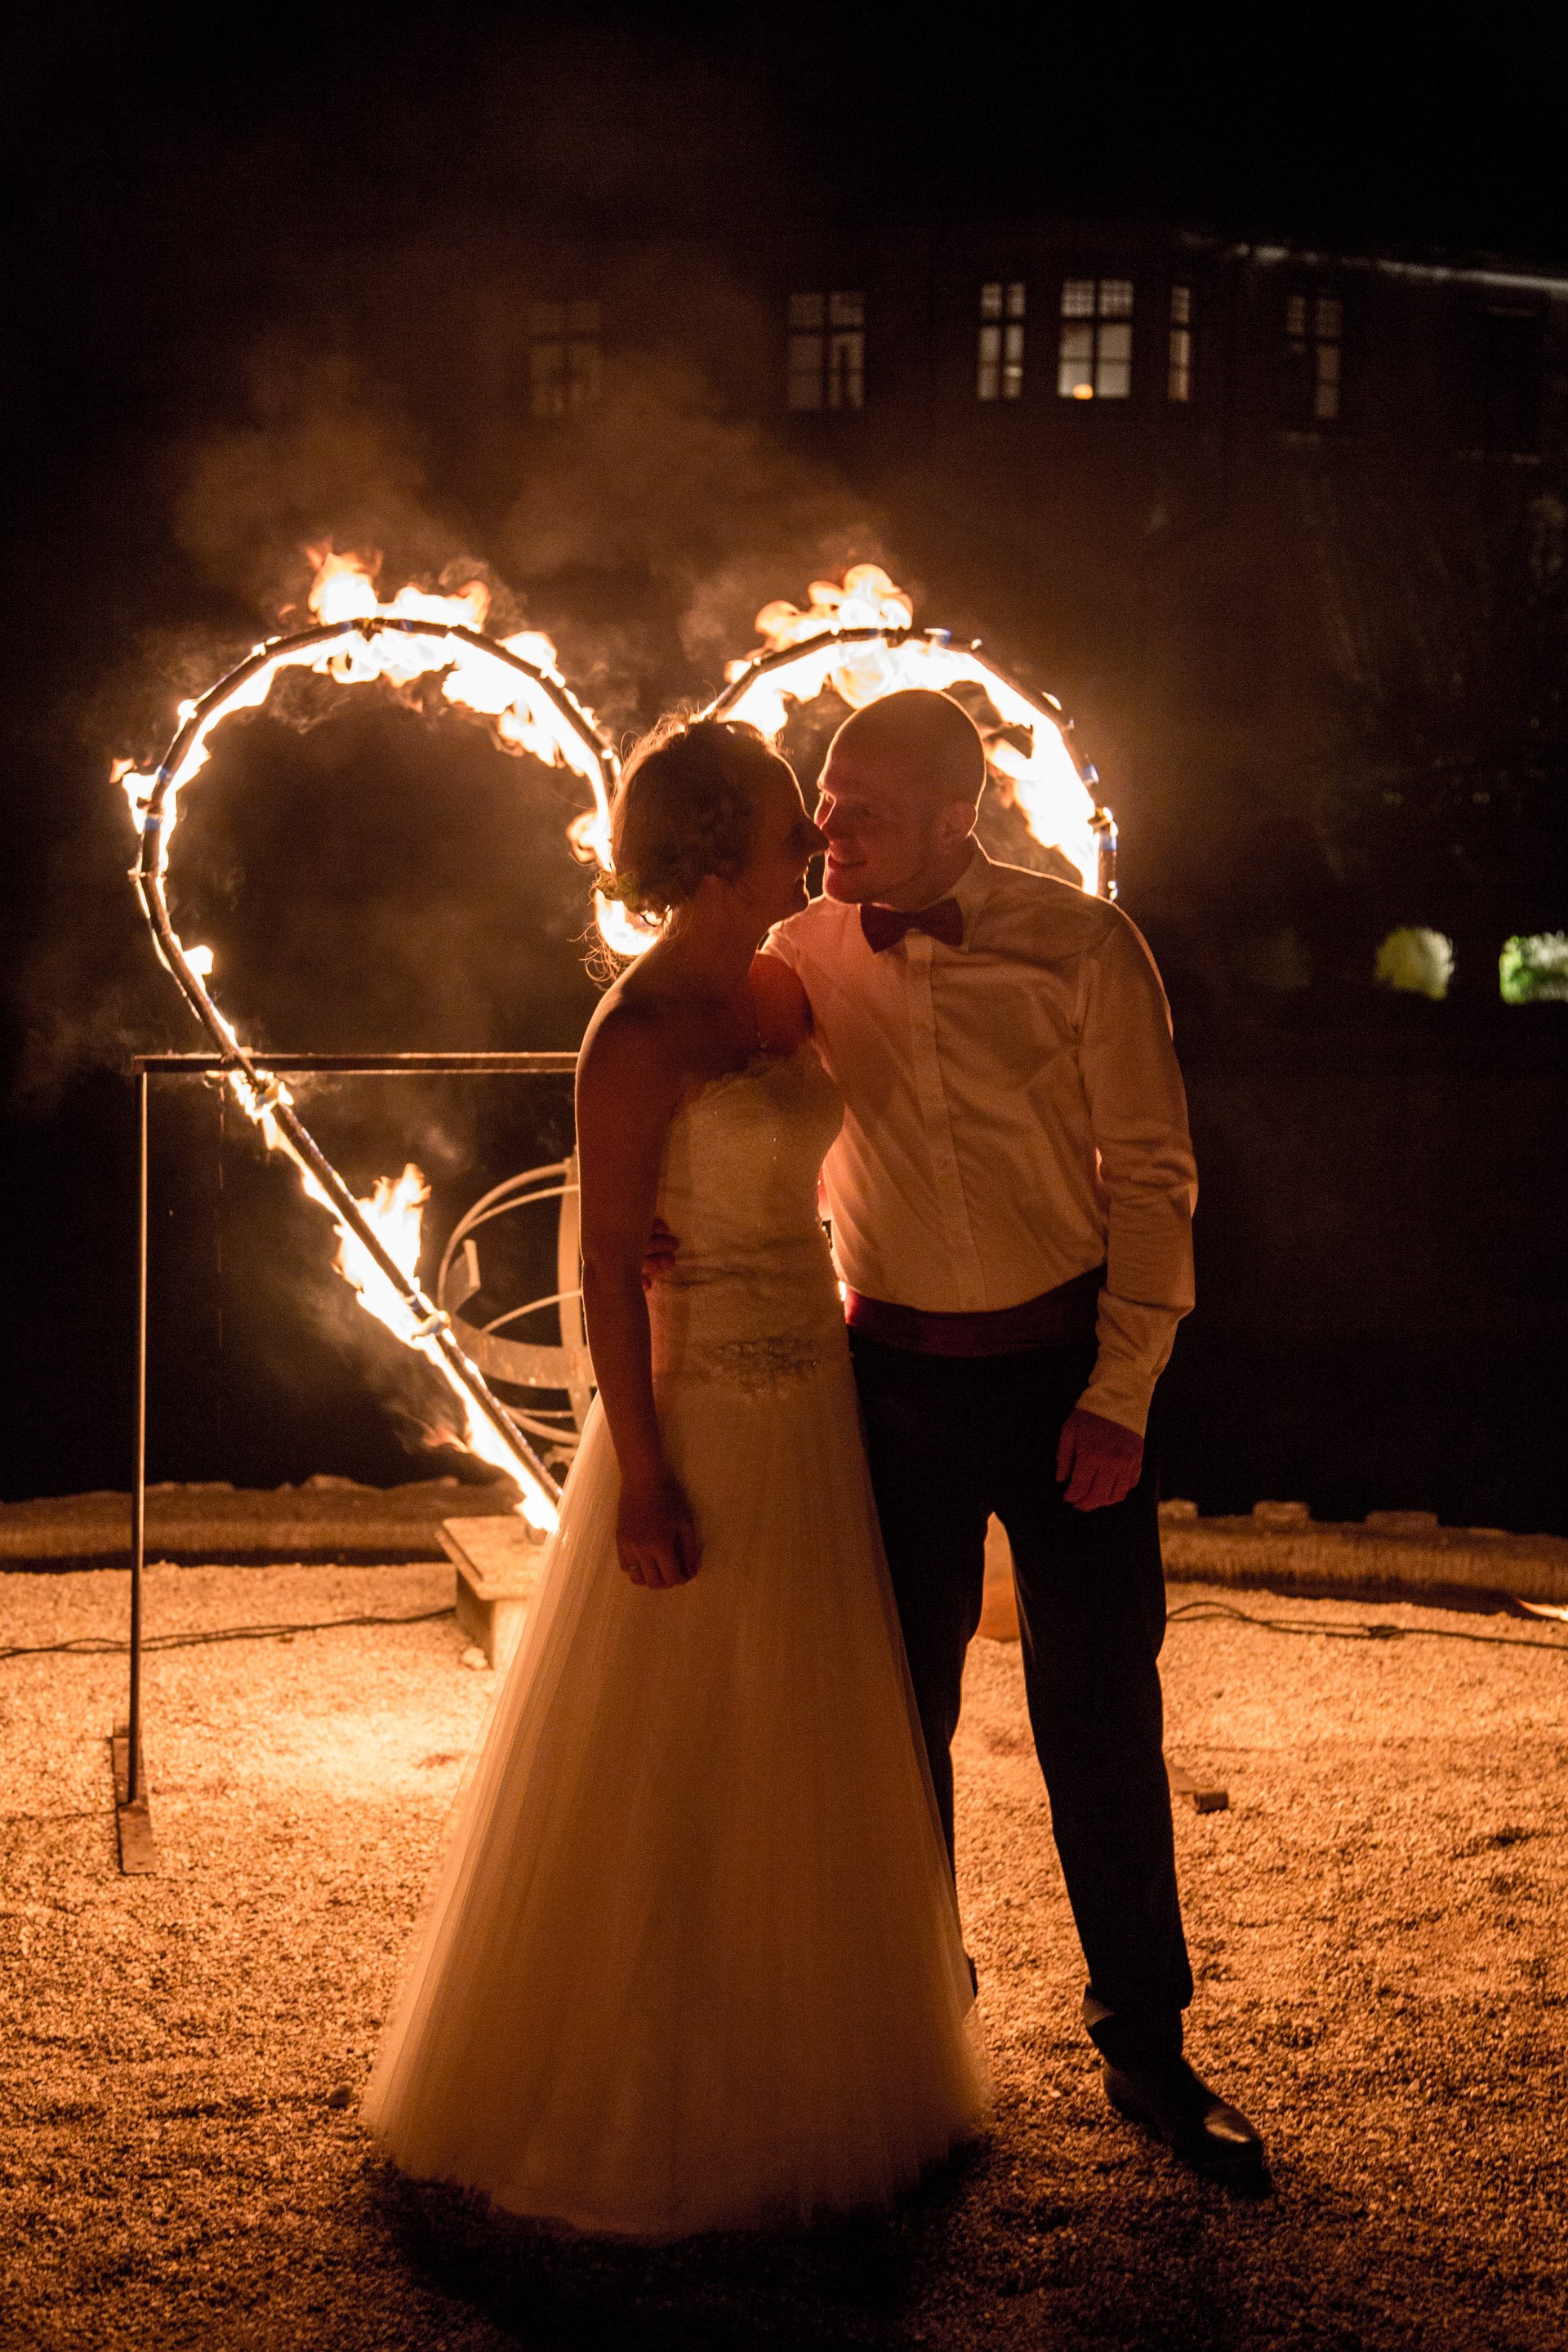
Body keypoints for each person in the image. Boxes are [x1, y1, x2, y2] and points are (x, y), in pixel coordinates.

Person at [362, 716, 988, 2238]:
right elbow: (601, 1269)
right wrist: (639, 1474)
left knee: (809, 1725)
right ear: (718, 848)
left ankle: (820, 2055)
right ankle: (644, 2086)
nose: (814, 845)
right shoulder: (635, 1032)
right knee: (676, 1738)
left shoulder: (784, 983)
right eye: (791, 822)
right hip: (700, 1406)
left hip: (817, 1387)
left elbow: (831, 1158)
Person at [755, 686, 1267, 2187]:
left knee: (1102, 1715)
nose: (831, 828)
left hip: (1064, 1377)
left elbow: (1156, 1172)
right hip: (883, 1388)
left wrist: (1122, 1391)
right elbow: (724, 1102)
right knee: (891, 1730)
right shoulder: (796, 952)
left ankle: (1150, 2050)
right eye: (827, 798)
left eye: (868, 809)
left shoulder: (1086, 945)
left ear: (963, 816)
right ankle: (917, 2047)